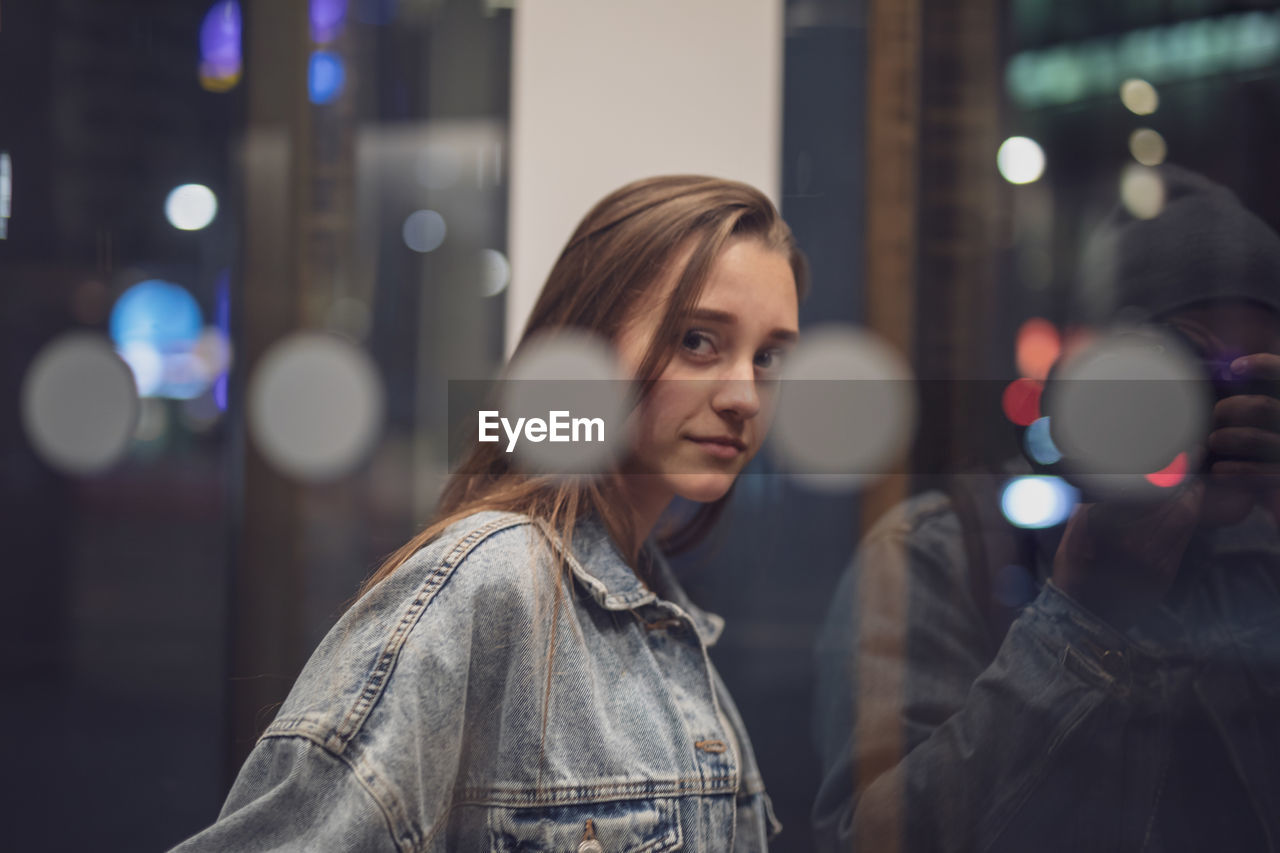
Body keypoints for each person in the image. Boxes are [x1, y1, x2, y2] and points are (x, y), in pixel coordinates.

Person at [172, 175, 806, 851]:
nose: (744, 393)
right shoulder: (493, 578)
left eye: (769, 357)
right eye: (698, 341)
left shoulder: (665, 626)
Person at [811, 164, 1280, 851]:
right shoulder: (940, 555)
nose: (1229, 410)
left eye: (1256, 378)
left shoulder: (1260, 555)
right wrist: (1080, 618)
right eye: (1196, 371)